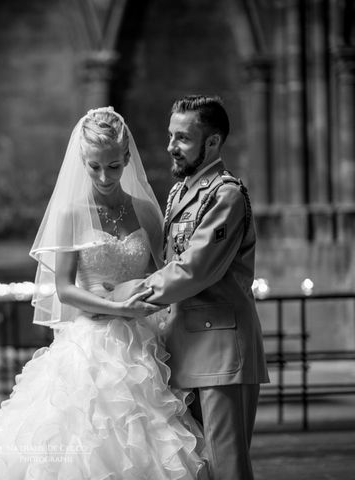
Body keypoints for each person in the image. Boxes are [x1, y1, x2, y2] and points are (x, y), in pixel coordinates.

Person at [0, 107, 210, 480]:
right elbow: (64, 289)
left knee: (150, 436)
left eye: (114, 166)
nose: (105, 176)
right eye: (95, 166)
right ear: (82, 161)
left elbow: (162, 275)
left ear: (127, 159)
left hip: (143, 341)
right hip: (91, 338)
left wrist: (140, 299)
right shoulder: (71, 213)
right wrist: (114, 306)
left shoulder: (146, 212)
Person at [107, 95, 270, 480]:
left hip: (221, 352)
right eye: (170, 136)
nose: (170, 147)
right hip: (184, 346)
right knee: (198, 467)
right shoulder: (181, 192)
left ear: (212, 143)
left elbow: (194, 269)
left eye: (182, 138)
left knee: (226, 466)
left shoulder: (225, 194)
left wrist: (130, 294)